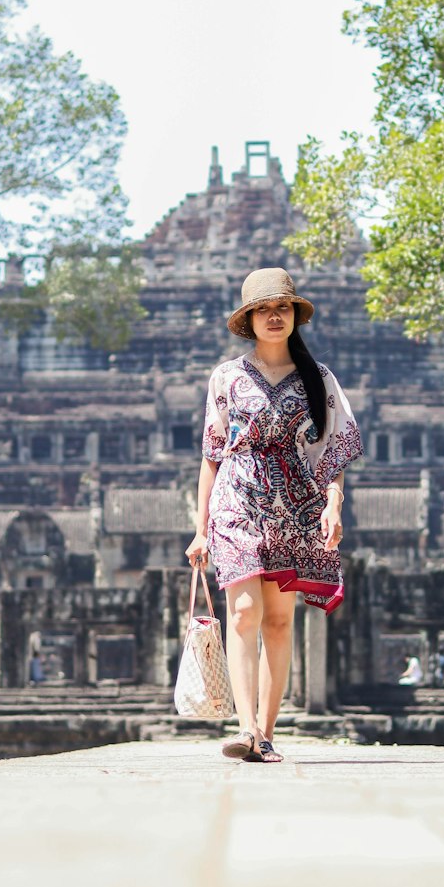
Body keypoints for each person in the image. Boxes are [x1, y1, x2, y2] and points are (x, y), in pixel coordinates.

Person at [186, 267, 363, 764]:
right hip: (237, 498)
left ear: (294, 316)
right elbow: (212, 454)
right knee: (243, 613)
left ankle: (265, 732)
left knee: (280, 622)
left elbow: (334, 450)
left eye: (281, 308)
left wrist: (334, 502)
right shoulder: (226, 377)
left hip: (295, 503)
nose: (274, 316)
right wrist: (201, 529)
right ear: (249, 320)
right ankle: (243, 728)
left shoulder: (318, 379)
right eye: (263, 310)